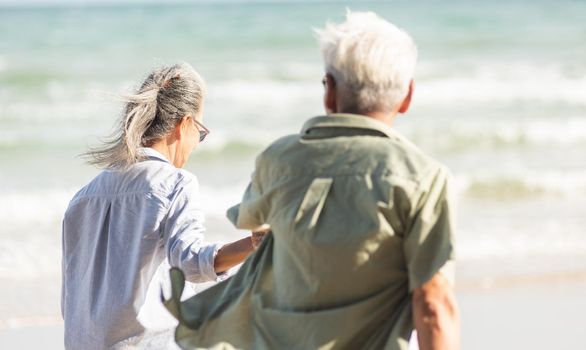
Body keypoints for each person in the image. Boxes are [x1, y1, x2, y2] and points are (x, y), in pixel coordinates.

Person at [163, 11, 459, 350]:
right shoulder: (424, 179)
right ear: (407, 97)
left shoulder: (278, 160)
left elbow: (248, 219)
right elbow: (433, 304)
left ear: (329, 92)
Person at [61, 63, 264, 349]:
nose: (197, 144)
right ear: (185, 125)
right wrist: (254, 243)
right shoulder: (175, 183)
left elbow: (72, 298)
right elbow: (192, 263)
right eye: (201, 133)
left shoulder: (82, 198)